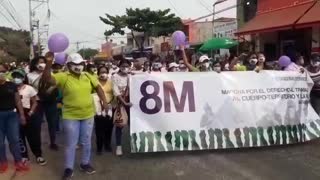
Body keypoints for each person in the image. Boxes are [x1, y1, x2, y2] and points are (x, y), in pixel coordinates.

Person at [42, 52, 108, 180]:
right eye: (75, 64)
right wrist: (49, 62)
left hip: (88, 114)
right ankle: (68, 168)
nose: (78, 66)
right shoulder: (63, 76)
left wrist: (104, 102)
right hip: (70, 116)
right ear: (69, 65)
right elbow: (46, 79)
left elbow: (99, 88)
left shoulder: (88, 76)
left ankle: (85, 163)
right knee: (71, 143)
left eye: (81, 64)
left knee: (86, 141)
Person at [11, 69, 47, 166]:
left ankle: (38, 155)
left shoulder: (29, 88)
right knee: (19, 137)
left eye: (18, 76)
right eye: (14, 76)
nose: (16, 79)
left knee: (33, 137)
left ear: (23, 78)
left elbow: (35, 102)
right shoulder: (10, 88)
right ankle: (24, 156)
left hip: (28, 114)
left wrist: (31, 112)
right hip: (15, 115)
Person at [0, 63, 29, 173]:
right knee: (0, 143)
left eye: (2, 71)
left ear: (6, 73)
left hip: (12, 115)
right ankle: (2, 162)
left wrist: (22, 115)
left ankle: (18, 162)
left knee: (15, 140)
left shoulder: (11, 85)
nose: (0, 74)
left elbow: (17, 101)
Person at [27, 56, 59, 151]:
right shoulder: (29, 75)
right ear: (35, 64)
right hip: (37, 102)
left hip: (51, 101)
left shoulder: (50, 73)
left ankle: (53, 142)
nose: (42, 64)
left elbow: (54, 84)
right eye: (39, 62)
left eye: (43, 62)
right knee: (37, 125)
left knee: (52, 123)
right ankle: (37, 145)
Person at [112, 59, 132, 156]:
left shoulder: (130, 76)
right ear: (119, 66)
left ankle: (134, 144)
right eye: (123, 66)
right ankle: (118, 147)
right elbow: (116, 92)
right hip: (119, 104)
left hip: (130, 104)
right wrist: (124, 103)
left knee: (132, 124)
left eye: (127, 66)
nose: (125, 68)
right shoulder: (114, 77)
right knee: (119, 124)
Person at [93, 66, 114, 155]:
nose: (103, 74)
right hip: (98, 108)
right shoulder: (94, 82)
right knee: (99, 129)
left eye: (105, 72)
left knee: (109, 128)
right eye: (101, 72)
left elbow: (115, 93)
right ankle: (99, 147)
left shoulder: (111, 82)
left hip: (110, 107)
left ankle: (107, 145)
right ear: (98, 73)